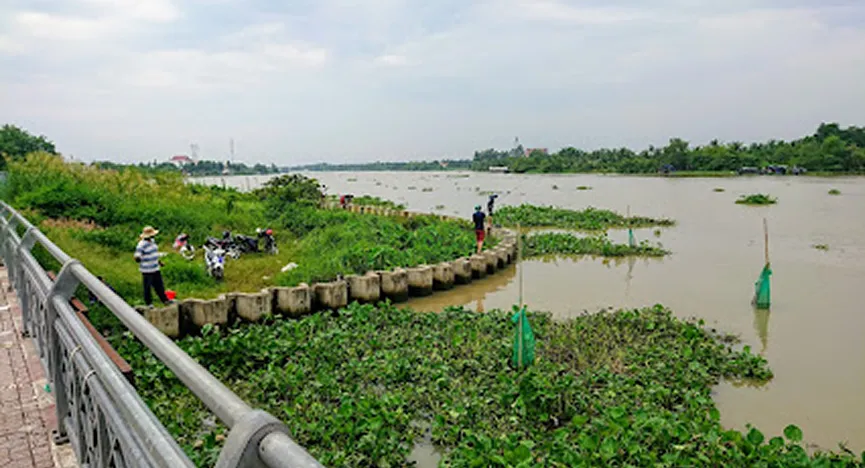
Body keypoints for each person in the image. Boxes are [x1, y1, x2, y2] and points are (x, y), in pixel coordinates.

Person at [133, 226, 172, 308]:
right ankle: (149, 303)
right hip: (147, 269)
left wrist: (159, 262)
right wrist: (139, 258)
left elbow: (154, 254)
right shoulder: (141, 245)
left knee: (159, 285)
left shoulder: (152, 242)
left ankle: (164, 300)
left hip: (155, 267)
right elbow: (137, 256)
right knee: (147, 286)